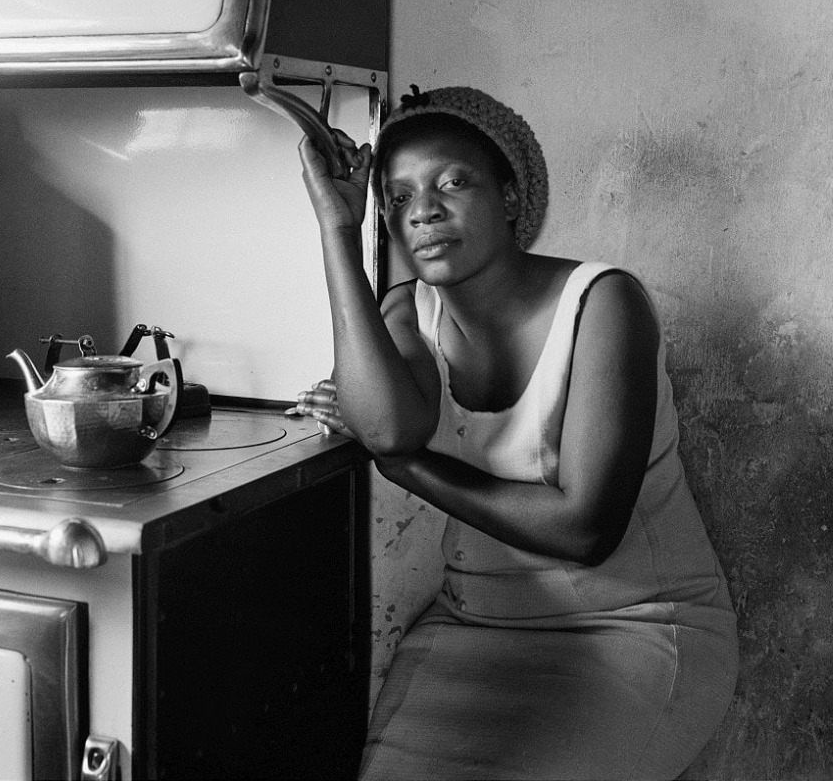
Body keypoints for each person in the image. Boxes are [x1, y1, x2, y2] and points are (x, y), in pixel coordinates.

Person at [291, 85, 738, 781]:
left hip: (637, 631)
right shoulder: (409, 311)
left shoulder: (605, 303)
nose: (426, 210)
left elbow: (584, 528)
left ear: (509, 196)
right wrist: (338, 232)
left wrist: (407, 468)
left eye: (453, 182)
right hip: (472, 629)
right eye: (402, 198)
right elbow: (387, 427)